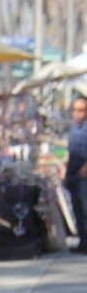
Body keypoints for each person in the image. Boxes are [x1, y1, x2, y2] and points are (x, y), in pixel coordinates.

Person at [63, 96, 87, 254]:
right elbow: (71, 151)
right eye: (75, 110)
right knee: (77, 209)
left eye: (81, 110)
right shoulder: (73, 128)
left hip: (84, 174)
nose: (77, 113)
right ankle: (83, 242)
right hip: (73, 172)